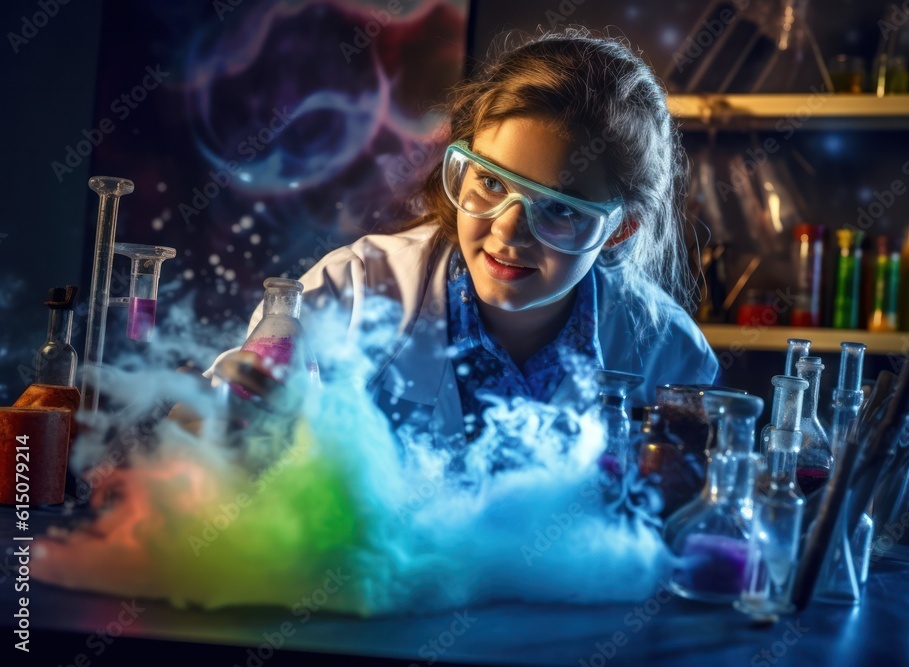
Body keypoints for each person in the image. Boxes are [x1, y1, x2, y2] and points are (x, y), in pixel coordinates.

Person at [219, 27, 718, 447]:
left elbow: (684, 531)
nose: (507, 229)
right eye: (491, 182)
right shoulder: (352, 290)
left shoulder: (669, 354)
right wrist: (242, 422)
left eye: (561, 209)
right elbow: (201, 435)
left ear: (619, 230)